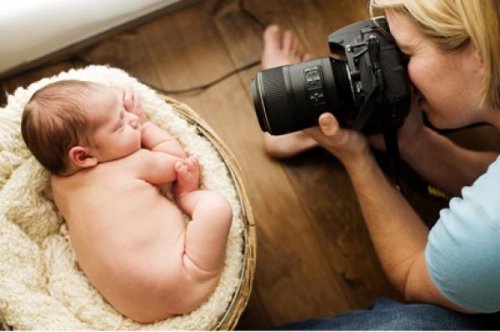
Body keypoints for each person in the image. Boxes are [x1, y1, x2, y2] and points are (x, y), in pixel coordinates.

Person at [261, 0, 500, 329]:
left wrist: (355, 156)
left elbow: (413, 276)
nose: (398, 69)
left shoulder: (492, 227)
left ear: (480, 53)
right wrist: (411, 140)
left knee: (414, 325)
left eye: (406, 54)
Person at [21, 80, 233, 323]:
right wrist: (147, 124)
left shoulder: (59, 187)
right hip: (185, 279)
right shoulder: (133, 163)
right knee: (216, 208)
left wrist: (125, 128)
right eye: (120, 125)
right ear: (83, 156)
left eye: (126, 114)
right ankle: (188, 198)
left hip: (136, 310)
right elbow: (176, 160)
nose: (132, 119)